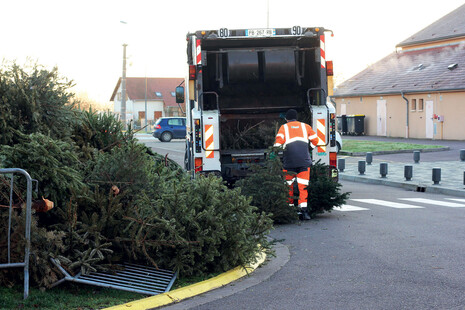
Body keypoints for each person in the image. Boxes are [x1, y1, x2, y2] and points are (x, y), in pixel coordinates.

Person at [273, 109, 319, 220]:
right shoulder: (306, 126)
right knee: (303, 187)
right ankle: (304, 212)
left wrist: (277, 151)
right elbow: (316, 141)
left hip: (289, 163)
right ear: (296, 117)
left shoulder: (284, 128)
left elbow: (278, 144)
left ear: (286, 119)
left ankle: (289, 211)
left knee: (288, 186)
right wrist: (309, 149)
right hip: (304, 162)